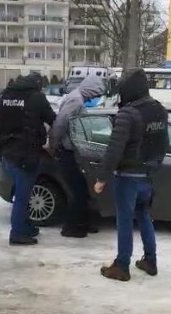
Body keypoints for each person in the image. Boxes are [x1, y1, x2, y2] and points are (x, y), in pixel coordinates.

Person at [94, 68, 169, 282]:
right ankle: (150, 260)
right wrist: (154, 166)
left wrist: (102, 178)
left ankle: (122, 266)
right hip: (147, 175)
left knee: (125, 221)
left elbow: (114, 149)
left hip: (128, 176)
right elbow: (163, 144)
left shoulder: (128, 114)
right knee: (144, 216)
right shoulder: (159, 110)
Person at [0, 73, 56, 245]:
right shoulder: (36, 97)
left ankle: (26, 226)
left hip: (8, 152)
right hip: (26, 153)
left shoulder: (6, 96)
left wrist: (1, 148)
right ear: (38, 84)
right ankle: (17, 233)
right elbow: (52, 119)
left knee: (23, 193)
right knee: (23, 195)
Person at [49, 75, 105, 238]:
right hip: (66, 151)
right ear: (91, 89)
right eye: (96, 94)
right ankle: (71, 227)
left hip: (74, 150)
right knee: (77, 191)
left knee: (82, 190)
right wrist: (54, 145)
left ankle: (83, 223)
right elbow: (60, 123)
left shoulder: (77, 98)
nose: (96, 98)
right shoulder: (76, 101)